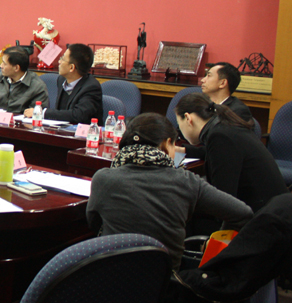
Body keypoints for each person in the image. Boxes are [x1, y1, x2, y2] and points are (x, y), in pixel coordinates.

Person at [89, 113, 252, 269]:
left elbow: (94, 223)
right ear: (167, 143)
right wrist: (217, 238)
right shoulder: (187, 181)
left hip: (110, 276)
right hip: (165, 281)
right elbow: (242, 213)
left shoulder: (103, 179)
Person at [175, 92, 288, 219]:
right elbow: (211, 152)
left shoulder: (220, 137)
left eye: (179, 123)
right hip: (272, 209)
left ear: (188, 118)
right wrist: (182, 150)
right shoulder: (223, 128)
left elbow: (222, 199)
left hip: (264, 218)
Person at [30, 43, 102, 124]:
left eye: (63, 59)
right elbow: (61, 112)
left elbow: (78, 115)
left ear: (71, 67)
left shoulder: (91, 87)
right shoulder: (61, 80)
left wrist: (42, 113)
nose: (59, 61)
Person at [0, 47, 48, 114]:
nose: (1, 66)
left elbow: (37, 113)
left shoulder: (37, 87)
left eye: (4, 63)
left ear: (16, 68)